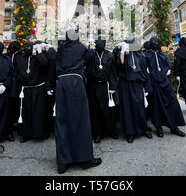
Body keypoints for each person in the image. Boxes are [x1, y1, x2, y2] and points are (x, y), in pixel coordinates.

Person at [53, 29, 101, 174]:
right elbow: (89, 56)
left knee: (62, 121)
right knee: (81, 120)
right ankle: (85, 159)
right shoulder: (79, 47)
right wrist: (91, 47)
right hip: (75, 82)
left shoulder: (60, 49)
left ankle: (63, 162)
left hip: (61, 83)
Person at [114, 37, 153, 143]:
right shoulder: (121, 54)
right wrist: (121, 52)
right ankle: (130, 132)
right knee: (127, 108)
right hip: (125, 85)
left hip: (137, 84)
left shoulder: (141, 55)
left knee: (139, 108)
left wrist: (146, 86)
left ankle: (143, 129)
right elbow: (118, 66)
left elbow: (145, 71)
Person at [145, 37, 185, 138]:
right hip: (154, 84)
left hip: (165, 83)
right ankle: (158, 127)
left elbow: (168, 65)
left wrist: (168, 70)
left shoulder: (163, 54)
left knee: (172, 104)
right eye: (153, 42)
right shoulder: (146, 55)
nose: (155, 44)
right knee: (156, 106)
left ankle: (174, 127)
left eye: (156, 42)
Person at [13, 41, 49, 142]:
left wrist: (38, 52)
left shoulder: (37, 57)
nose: (28, 49)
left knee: (39, 113)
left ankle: (39, 133)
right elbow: (16, 71)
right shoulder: (19, 58)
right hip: (25, 90)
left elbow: (44, 63)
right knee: (26, 113)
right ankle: (26, 134)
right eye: (26, 47)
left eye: (30, 47)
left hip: (38, 88)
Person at [85, 36, 119, 144]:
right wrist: (90, 49)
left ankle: (111, 130)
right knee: (95, 111)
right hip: (93, 86)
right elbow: (85, 64)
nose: (100, 45)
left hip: (106, 86)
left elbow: (113, 72)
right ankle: (98, 132)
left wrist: (113, 87)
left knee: (108, 111)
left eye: (102, 43)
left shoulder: (109, 55)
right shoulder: (91, 54)